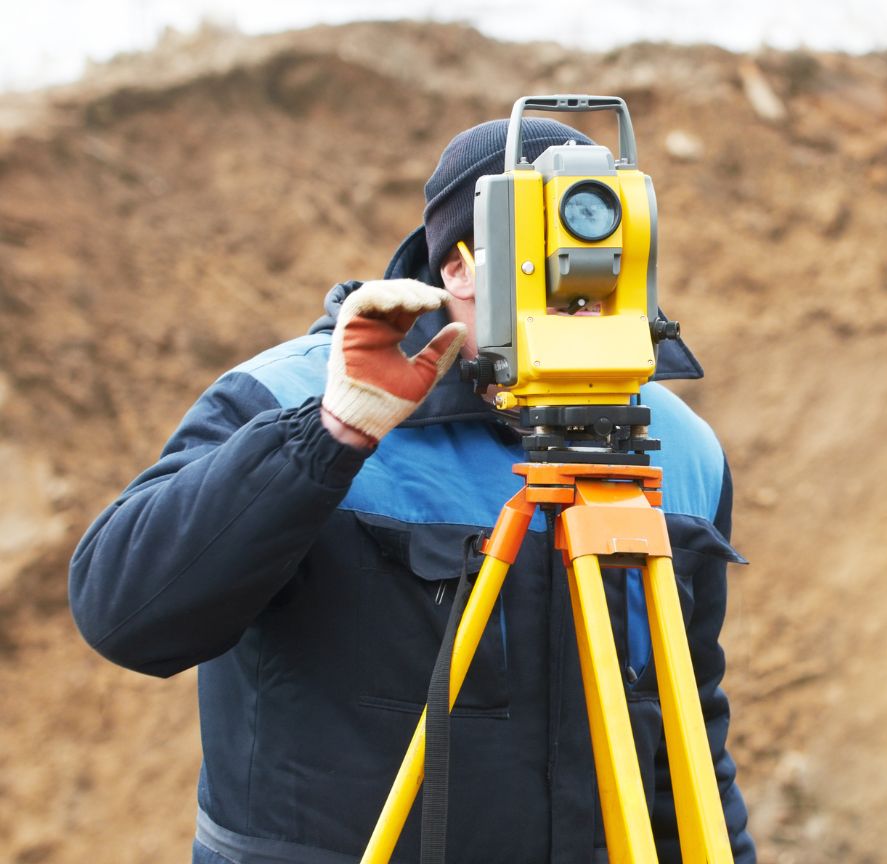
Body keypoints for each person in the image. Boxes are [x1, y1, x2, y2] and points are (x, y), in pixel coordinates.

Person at [68, 116, 756, 864]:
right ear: (455, 267)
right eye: (543, 238)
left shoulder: (683, 449)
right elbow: (126, 613)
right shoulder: (291, 394)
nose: (577, 270)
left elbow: (687, 731)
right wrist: (328, 436)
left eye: (602, 234)